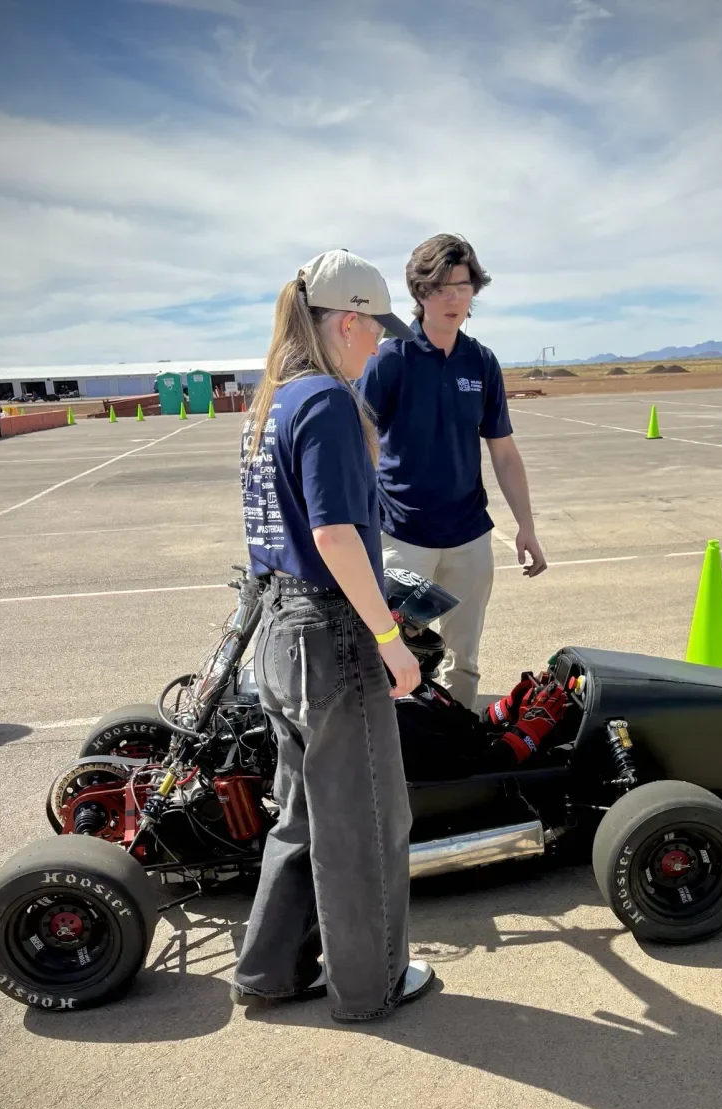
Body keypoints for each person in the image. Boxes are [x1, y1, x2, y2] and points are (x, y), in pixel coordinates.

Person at [231, 249, 435, 1022]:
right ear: (347, 322)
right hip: (331, 636)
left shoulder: (271, 403)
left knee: (302, 814)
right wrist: (390, 639)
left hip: (279, 630)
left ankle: (271, 971)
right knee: (366, 825)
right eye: (375, 330)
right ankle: (371, 987)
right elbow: (335, 535)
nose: (378, 346)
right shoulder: (326, 402)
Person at [359, 233, 547, 710]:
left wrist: (526, 526)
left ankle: (455, 741)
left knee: (464, 661)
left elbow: (503, 452)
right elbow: (358, 444)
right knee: (396, 661)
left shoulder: (480, 362)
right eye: (440, 287)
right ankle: (398, 744)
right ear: (419, 293)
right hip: (403, 536)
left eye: (462, 287)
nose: (453, 298)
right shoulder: (389, 359)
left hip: (468, 537)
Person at [383, 568, 571, 781]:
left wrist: (508, 707)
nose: (424, 635)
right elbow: (465, 772)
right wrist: (527, 734)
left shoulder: (414, 686)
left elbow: (462, 728)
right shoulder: (400, 714)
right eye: (416, 628)